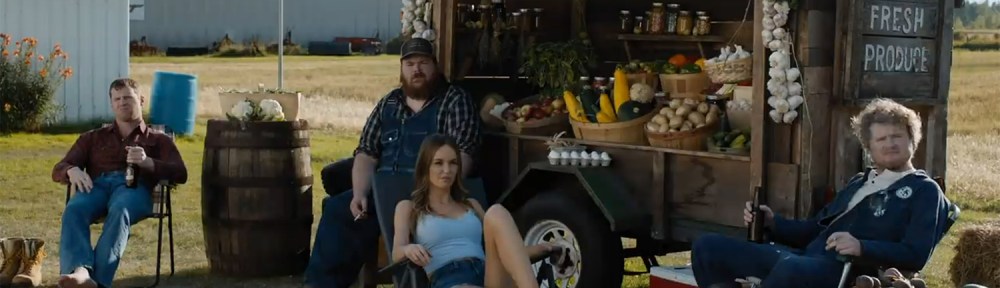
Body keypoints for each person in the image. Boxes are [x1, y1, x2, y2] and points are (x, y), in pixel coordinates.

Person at [690, 98, 950, 288]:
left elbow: (915, 254)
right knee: (708, 247)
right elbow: (815, 229)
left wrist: (862, 247)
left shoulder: (923, 190)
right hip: (806, 259)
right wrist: (773, 223)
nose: (890, 144)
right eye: (881, 139)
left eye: (897, 137)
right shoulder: (860, 182)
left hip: (851, 271)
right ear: (869, 147)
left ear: (912, 140)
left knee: (791, 268)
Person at [304, 37, 481, 287]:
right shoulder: (389, 103)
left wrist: (438, 197)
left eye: (423, 62)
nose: (416, 70)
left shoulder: (454, 101)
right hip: (381, 194)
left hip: (424, 196)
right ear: (401, 68)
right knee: (338, 210)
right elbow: (366, 153)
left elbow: (463, 155)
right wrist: (359, 193)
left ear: (435, 66)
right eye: (409, 64)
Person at [51, 78, 188, 288]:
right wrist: (72, 170)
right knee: (74, 209)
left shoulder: (159, 140)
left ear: (141, 100)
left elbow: (180, 173)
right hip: (96, 187)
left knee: (120, 209)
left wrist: (147, 162)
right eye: (117, 99)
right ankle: (79, 270)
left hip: (134, 189)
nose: (122, 102)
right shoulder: (93, 138)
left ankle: (96, 282)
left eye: (128, 97)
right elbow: (59, 167)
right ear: (112, 103)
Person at [393, 134, 553, 288]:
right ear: (425, 166)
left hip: (488, 275)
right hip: (449, 279)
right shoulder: (409, 208)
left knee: (496, 212)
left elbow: (510, 252)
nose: (447, 170)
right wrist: (408, 249)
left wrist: (549, 247)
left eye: (453, 163)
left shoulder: (471, 205)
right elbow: (396, 253)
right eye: (438, 163)